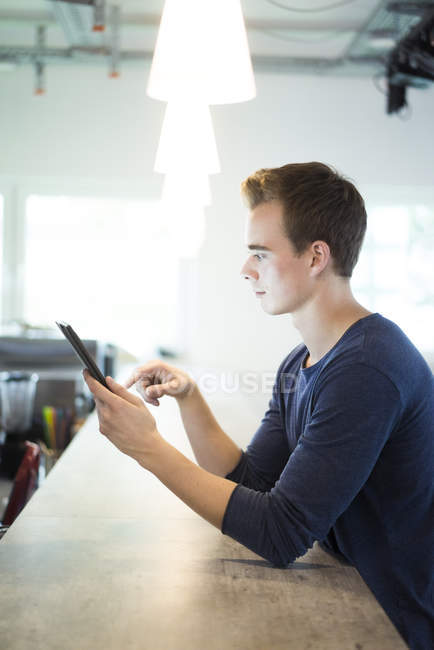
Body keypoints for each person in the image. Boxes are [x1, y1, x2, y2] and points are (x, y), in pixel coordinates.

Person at [84, 162, 434, 650]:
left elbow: (280, 533)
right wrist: (190, 399)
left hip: (391, 625)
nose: (246, 270)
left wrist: (147, 448)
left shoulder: (368, 367)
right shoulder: (302, 361)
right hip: (347, 598)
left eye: (260, 254)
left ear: (316, 257)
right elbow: (252, 485)